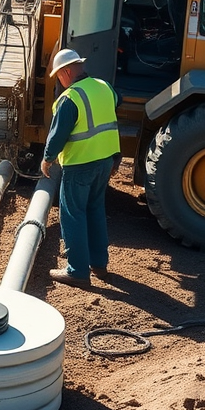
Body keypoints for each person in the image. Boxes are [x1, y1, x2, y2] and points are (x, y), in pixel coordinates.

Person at [39, 48, 121, 289]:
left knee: (72, 214)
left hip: (80, 164)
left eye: (58, 76)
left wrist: (47, 159)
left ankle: (77, 271)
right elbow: (116, 105)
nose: (59, 81)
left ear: (66, 72)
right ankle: (99, 264)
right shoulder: (104, 87)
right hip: (106, 161)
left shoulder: (70, 98)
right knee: (95, 209)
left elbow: (58, 135)